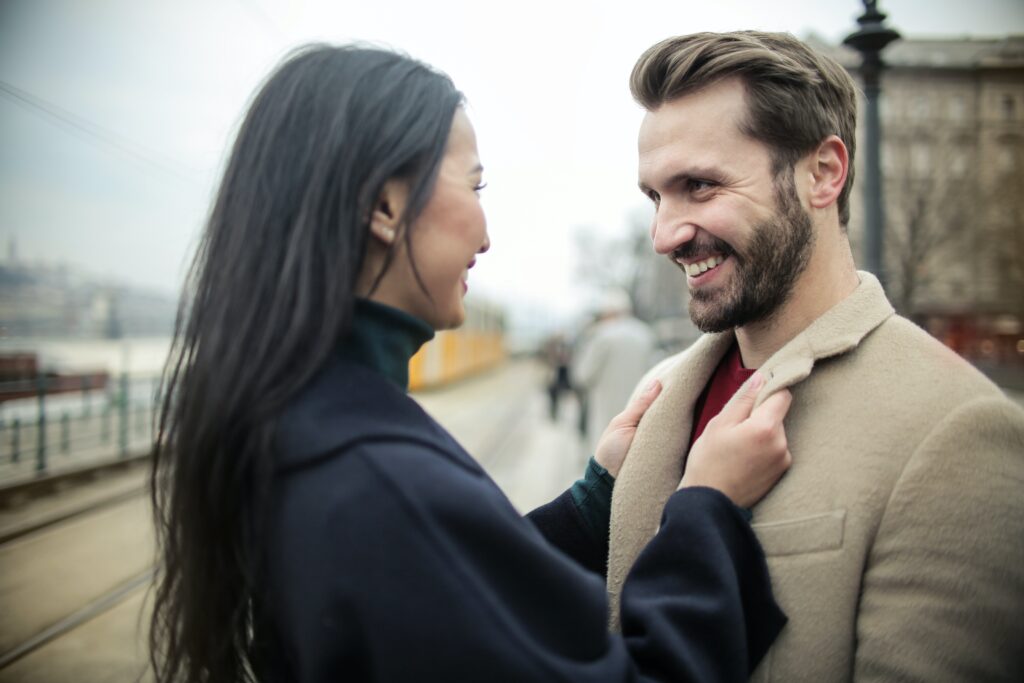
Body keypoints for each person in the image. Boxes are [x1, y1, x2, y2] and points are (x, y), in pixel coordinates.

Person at [148, 44, 796, 683]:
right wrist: (708, 506)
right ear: (384, 207)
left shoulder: (301, 428)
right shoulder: (379, 480)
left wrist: (593, 500)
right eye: (473, 185)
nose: (486, 236)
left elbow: (453, 605)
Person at [606, 31, 1024, 682]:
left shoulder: (960, 428)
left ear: (823, 173)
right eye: (656, 197)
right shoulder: (658, 396)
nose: (664, 235)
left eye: (700, 186)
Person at [572, 289, 657, 454]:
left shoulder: (601, 335)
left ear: (608, 312)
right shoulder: (645, 334)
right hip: (638, 415)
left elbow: (582, 376)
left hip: (607, 418)